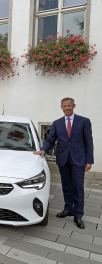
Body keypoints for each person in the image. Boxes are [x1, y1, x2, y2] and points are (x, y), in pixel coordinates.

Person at [33, 97, 93, 229]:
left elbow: (89, 142)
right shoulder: (57, 123)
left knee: (78, 186)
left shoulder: (83, 121)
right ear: (61, 108)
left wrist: (89, 160)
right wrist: (43, 150)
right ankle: (68, 208)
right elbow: (50, 140)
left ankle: (78, 214)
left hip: (78, 159)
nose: (67, 108)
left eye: (69, 106)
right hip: (63, 159)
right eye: (64, 106)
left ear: (74, 106)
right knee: (66, 185)